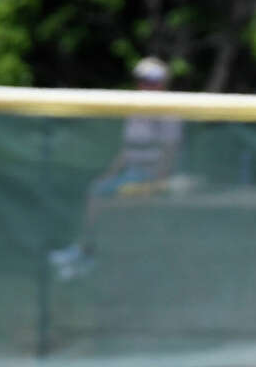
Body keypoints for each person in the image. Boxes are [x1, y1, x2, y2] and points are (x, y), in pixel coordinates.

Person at [49, 56, 186, 279]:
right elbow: (126, 151)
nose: (147, 85)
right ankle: (86, 254)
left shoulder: (169, 111)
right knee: (97, 190)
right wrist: (108, 176)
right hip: (133, 175)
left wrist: (156, 185)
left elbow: (169, 153)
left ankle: (87, 255)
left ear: (163, 83)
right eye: (143, 79)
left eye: (153, 80)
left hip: (150, 177)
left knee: (102, 198)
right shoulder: (135, 109)